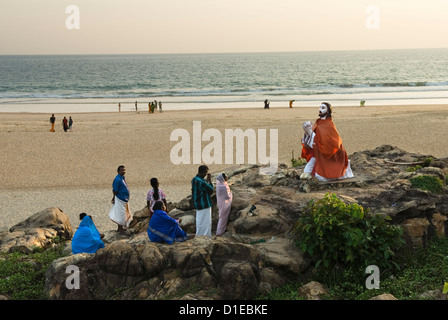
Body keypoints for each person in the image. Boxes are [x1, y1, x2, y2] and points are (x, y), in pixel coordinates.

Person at [300, 102, 354, 182]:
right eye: (320, 107)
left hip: (331, 157)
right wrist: (308, 134)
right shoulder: (318, 122)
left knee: (320, 177)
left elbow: (331, 145)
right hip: (318, 154)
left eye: (323, 108)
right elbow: (315, 140)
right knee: (306, 172)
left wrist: (311, 133)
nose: (320, 110)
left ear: (328, 111)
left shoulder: (329, 125)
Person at [109, 165, 133, 234]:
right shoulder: (117, 179)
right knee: (121, 213)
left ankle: (120, 228)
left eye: (124, 170)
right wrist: (114, 197)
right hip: (120, 198)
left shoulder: (122, 178)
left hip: (124, 199)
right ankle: (120, 229)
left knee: (123, 213)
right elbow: (115, 190)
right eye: (122, 170)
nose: (123, 171)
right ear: (118, 171)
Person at [191, 165, 214, 238]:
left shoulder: (194, 179)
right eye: (205, 173)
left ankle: (199, 235)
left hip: (198, 204)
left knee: (199, 221)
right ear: (203, 172)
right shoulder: (201, 182)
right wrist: (209, 180)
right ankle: (205, 236)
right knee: (206, 222)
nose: (205, 174)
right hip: (204, 204)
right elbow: (210, 190)